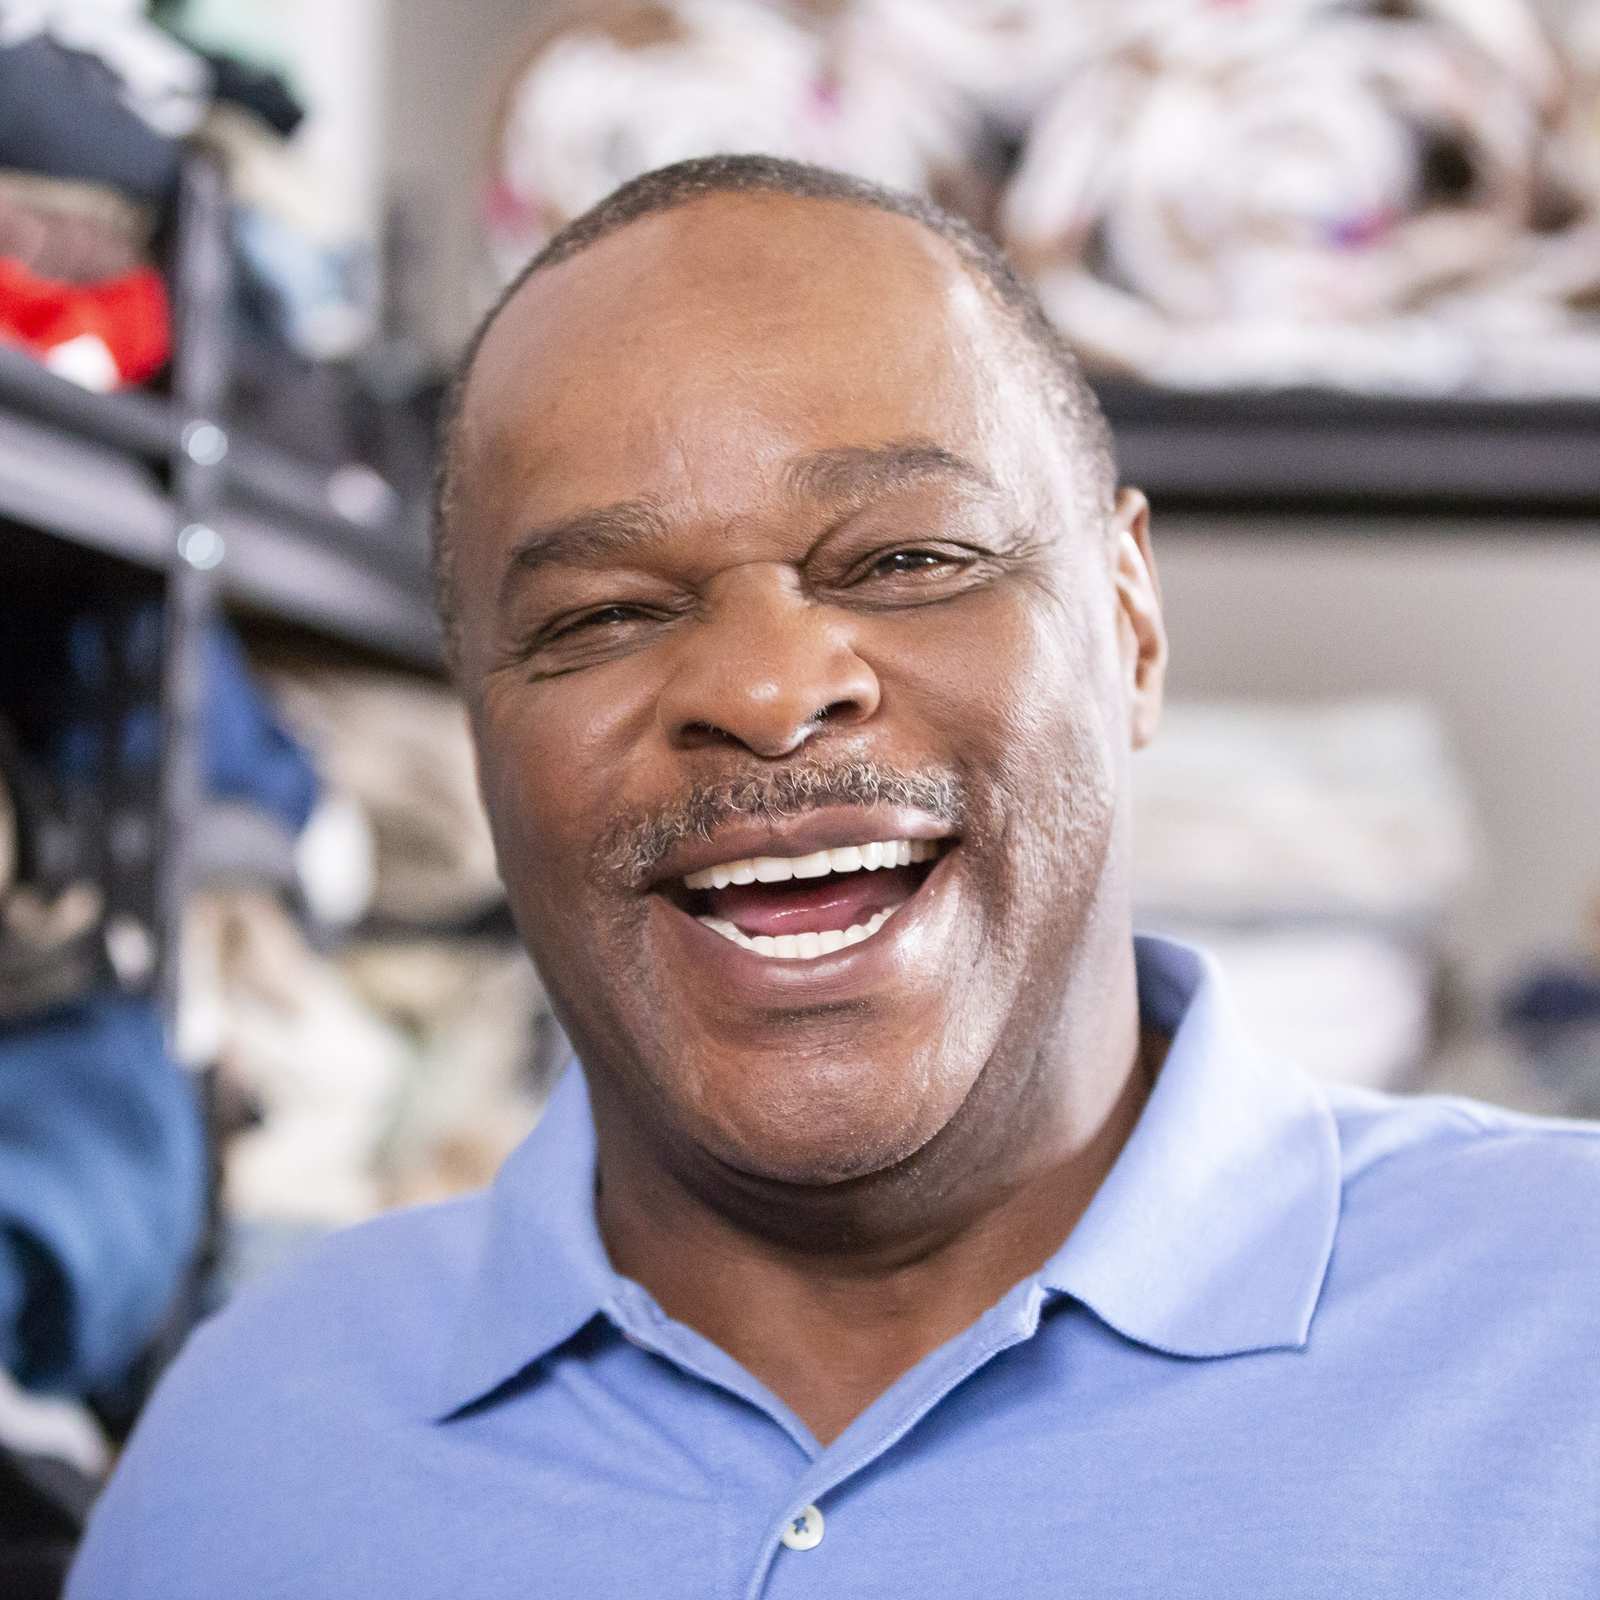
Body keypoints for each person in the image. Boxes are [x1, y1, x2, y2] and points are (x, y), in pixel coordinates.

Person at [69, 155, 1600, 1598]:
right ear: (479, 734)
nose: (762, 686)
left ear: (1130, 624)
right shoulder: (254, 1448)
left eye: (907, 561)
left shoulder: (1562, 1334)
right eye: (601, 616)